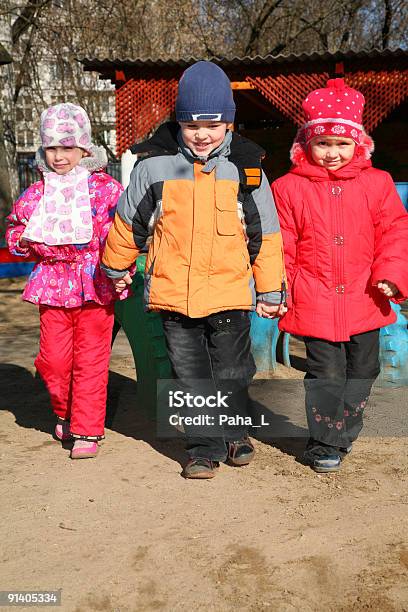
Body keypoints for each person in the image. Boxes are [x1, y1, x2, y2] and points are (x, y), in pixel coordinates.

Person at [102, 61, 286, 478]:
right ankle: (204, 446)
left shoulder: (248, 170)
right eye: (191, 125)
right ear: (179, 123)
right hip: (175, 297)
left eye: (213, 124)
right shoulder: (153, 168)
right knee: (190, 376)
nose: (202, 134)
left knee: (233, 370)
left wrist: (271, 290)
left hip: (229, 295)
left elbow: (267, 237)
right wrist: (116, 268)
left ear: (229, 125)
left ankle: (235, 431)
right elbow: (128, 225)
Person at [272, 78, 408, 473]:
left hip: (366, 294)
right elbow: (282, 243)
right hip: (313, 295)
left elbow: (394, 232)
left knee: (365, 370)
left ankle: (343, 429)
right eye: (323, 143)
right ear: (306, 145)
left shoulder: (377, 183)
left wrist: (391, 274)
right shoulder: (288, 187)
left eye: (342, 144)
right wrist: (281, 289)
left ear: (359, 145)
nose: (332, 153)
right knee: (325, 373)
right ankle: (323, 442)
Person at [6, 103, 125, 459]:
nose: (59, 156)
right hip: (51, 284)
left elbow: (123, 233)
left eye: (67, 148)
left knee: (90, 360)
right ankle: (64, 410)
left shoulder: (105, 189)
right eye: (52, 148)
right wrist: (23, 240)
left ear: (84, 148)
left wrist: (122, 270)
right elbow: (15, 229)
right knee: (55, 360)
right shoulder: (37, 193)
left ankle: (87, 430)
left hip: (94, 284)